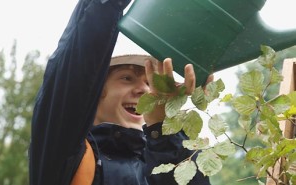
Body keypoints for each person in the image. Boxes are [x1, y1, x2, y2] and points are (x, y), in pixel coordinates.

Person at [29, 0, 212, 184]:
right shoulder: (64, 153)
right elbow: (74, 71)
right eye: (127, 78)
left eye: (150, 82)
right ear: (96, 87)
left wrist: (162, 128)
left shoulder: (163, 158)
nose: (145, 90)